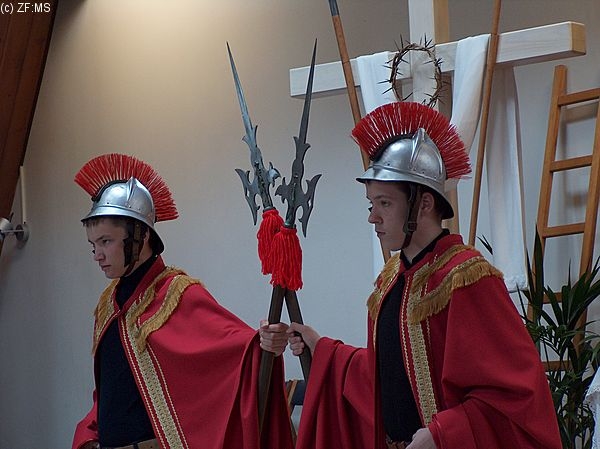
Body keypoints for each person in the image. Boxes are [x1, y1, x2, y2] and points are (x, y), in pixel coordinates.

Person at [288, 102, 561, 449]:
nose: (373, 217)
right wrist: (321, 347)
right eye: (371, 204)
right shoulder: (390, 281)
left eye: (385, 203)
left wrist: (442, 433)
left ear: (424, 204)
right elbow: (384, 374)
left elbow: (515, 395)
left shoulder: (467, 279)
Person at [71, 153, 293, 449]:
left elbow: (239, 350)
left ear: (141, 235)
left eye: (106, 242)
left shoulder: (177, 293)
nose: (97, 255)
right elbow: (109, 390)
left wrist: (265, 342)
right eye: (93, 245)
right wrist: (89, 435)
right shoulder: (108, 305)